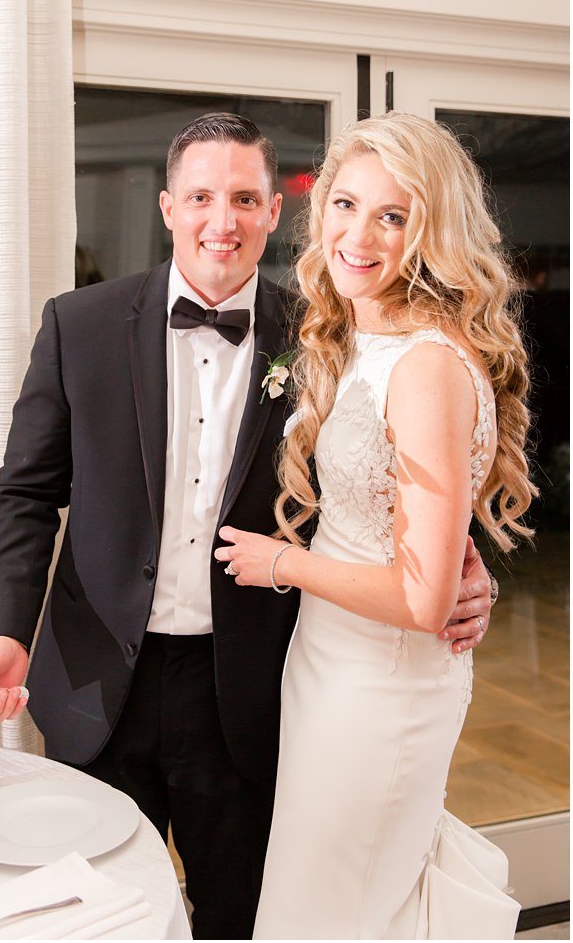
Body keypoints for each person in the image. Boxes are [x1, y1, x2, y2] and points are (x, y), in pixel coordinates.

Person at [0, 112, 495, 939]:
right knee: (92, 916)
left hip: (250, 691)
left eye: (245, 197)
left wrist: (465, 563)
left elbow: (395, 480)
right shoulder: (79, 324)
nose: (223, 219)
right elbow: (24, 493)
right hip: (97, 690)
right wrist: (7, 632)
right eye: (201, 196)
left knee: (243, 917)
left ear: (276, 211)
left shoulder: (329, 335)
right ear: (168, 206)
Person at [218, 112, 532, 937]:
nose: (359, 234)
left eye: (393, 216)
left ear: (433, 230)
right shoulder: (355, 332)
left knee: (332, 911)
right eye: (346, 204)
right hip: (329, 666)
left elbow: (425, 599)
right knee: (327, 901)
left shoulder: (427, 365)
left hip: (380, 689)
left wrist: (281, 564)